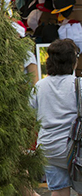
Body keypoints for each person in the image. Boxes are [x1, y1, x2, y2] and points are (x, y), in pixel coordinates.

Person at [30, 38, 79, 196]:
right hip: (75, 149)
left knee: (58, 191)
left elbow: (27, 113)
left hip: (48, 148)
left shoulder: (40, 86)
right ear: (72, 61)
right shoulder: (78, 85)